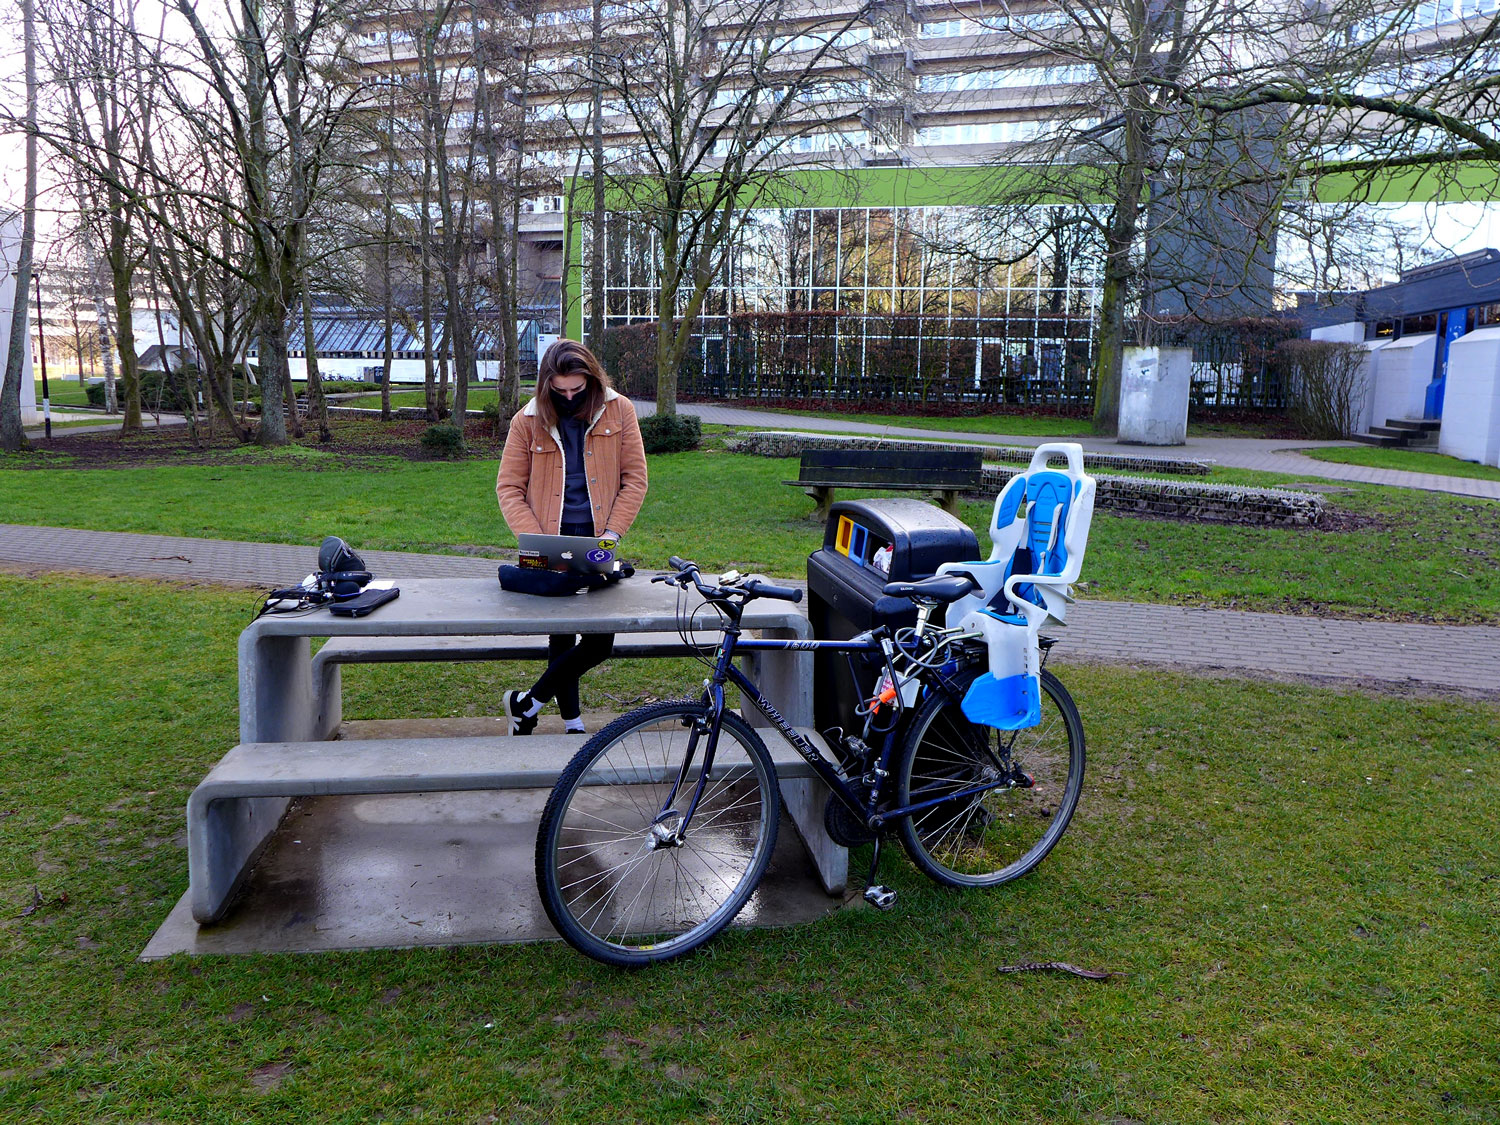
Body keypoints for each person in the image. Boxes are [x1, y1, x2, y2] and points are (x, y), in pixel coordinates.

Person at [495, 339, 648, 735]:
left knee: (600, 643)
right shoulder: (525, 421)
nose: (567, 397)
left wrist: (611, 536)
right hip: (546, 538)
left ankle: (527, 703)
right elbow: (509, 488)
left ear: (592, 380)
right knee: (561, 634)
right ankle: (573, 724)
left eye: (576, 390)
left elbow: (635, 479)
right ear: (546, 384)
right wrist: (537, 541)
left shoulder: (620, 410)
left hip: (599, 537)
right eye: (559, 390)